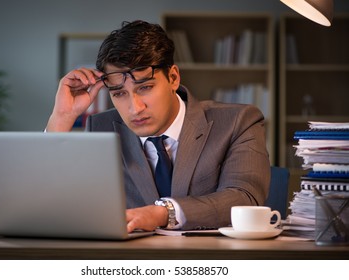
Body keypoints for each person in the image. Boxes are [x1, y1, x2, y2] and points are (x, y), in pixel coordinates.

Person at [46, 20, 270, 233]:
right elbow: (57, 200)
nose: (135, 108)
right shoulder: (102, 128)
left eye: (145, 87)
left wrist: (164, 213)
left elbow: (244, 197)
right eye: (119, 93)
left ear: (173, 78)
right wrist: (62, 117)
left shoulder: (237, 122)